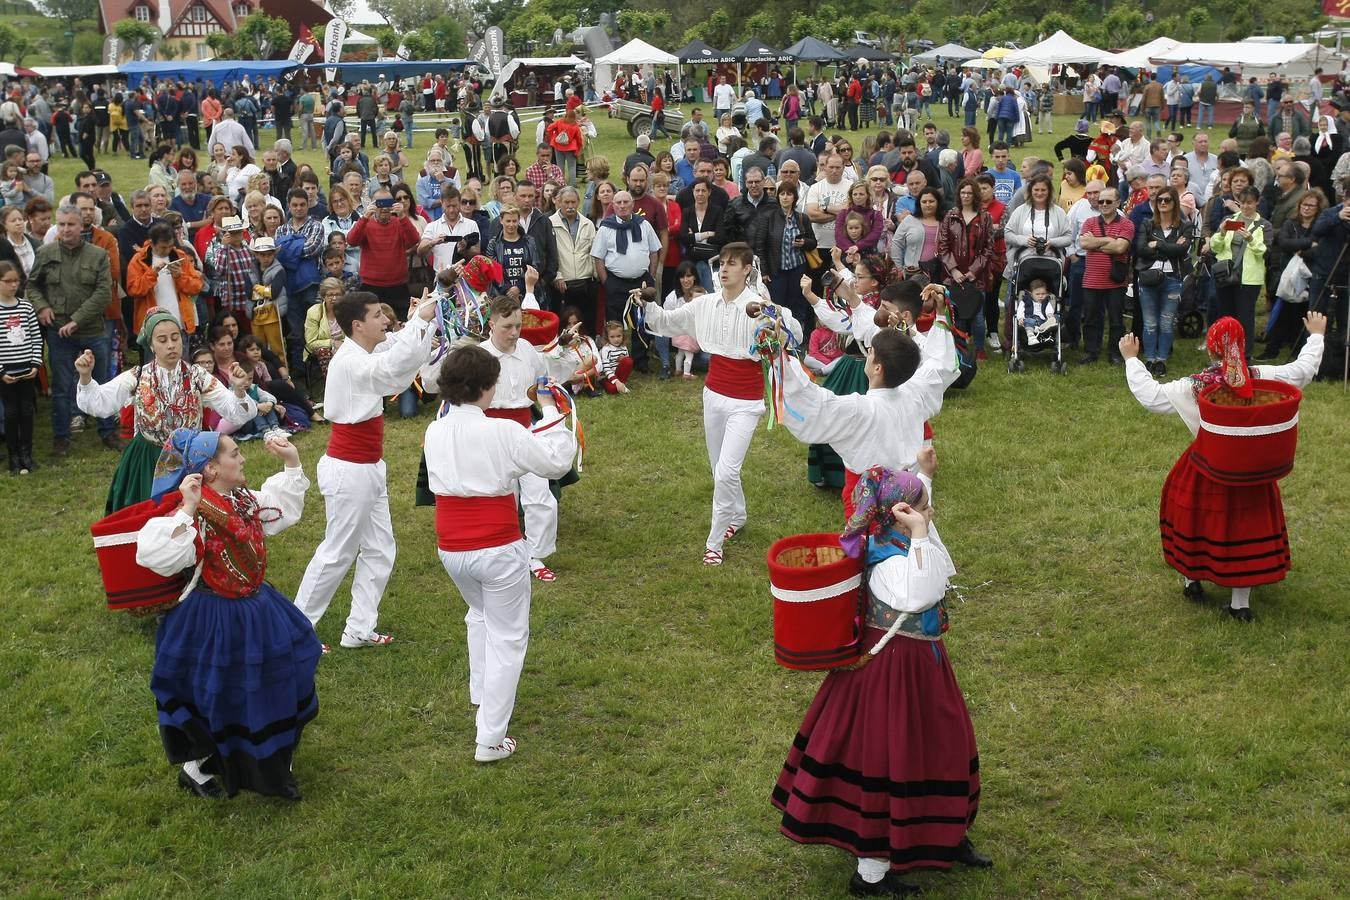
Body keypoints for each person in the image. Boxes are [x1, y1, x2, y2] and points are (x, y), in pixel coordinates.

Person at [773, 462, 989, 896]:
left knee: (941, 744)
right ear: (903, 512)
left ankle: (945, 836)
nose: (931, 515)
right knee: (889, 762)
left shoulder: (899, 535)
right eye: (925, 509)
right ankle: (870, 874)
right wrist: (921, 533)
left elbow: (940, 566)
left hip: (921, 666)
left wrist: (923, 490)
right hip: (891, 675)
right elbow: (922, 592)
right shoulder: (887, 560)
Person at [131, 428, 319, 799]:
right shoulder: (197, 513)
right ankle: (197, 768)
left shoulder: (244, 500)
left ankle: (276, 763)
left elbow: (282, 511)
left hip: (257, 608)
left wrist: (291, 462)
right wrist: (187, 507)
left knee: (277, 679)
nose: (243, 458)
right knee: (222, 694)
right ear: (212, 470)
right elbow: (155, 556)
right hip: (214, 617)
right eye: (234, 453)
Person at [426, 333, 576, 762]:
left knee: (479, 614)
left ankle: (481, 691)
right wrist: (551, 412)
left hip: (451, 549)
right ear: (485, 388)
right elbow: (556, 463)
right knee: (509, 638)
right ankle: (490, 739)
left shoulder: (435, 431)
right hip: (496, 547)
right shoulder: (503, 430)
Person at [1120, 313, 1327, 621]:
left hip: (1206, 468)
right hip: (1252, 473)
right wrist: (1317, 336)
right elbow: (1303, 370)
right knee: (1247, 528)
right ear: (1241, 345)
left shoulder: (1194, 387)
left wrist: (1131, 359)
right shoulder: (1262, 376)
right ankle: (1239, 605)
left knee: (1195, 521)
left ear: (1211, 348)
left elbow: (1151, 397)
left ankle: (1193, 583)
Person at [642, 242, 803, 565]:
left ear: (747, 270)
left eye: (733, 264)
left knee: (728, 471)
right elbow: (666, 322)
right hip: (713, 395)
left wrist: (775, 319)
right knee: (719, 469)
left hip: (746, 401)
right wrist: (647, 302)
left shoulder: (760, 304)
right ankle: (737, 515)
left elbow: (795, 332)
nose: (725, 269)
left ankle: (714, 542)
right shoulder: (706, 304)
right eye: (722, 263)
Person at [293, 290, 436, 652]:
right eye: (376, 316)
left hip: (368, 466)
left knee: (380, 548)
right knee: (337, 552)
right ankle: (294, 632)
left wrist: (424, 315)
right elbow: (391, 373)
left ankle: (359, 628)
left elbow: (396, 350)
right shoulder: (350, 361)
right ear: (358, 325)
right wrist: (420, 323)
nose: (385, 320)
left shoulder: (364, 350)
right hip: (349, 469)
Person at [75, 311, 257, 511]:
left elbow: (236, 412)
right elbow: (99, 403)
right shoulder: (138, 376)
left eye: (175, 338)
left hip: (190, 459)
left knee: (194, 517)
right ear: (151, 345)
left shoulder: (197, 376)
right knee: (148, 515)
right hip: (148, 460)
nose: (170, 345)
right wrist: (85, 377)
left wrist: (239, 389)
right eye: (162, 340)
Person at [27, 203, 120, 458]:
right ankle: (61, 436)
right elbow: (32, 286)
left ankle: (107, 430)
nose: (66, 229)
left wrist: (77, 320)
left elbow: (103, 294)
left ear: (82, 226)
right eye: (62, 224)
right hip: (58, 332)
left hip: (92, 330)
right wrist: (42, 307)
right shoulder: (45, 253)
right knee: (62, 385)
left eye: (71, 224)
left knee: (101, 383)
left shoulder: (97, 255)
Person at [1133, 186, 1191, 376]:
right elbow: (1140, 249)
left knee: (1166, 323)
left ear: (1175, 203)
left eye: (1167, 200)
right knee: (1150, 323)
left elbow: (1182, 251)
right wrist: (1171, 246)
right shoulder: (1147, 224)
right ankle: (1150, 359)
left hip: (1172, 278)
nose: (1163, 203)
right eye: (1160, 200)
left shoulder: (1185, 226)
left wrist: (1157, 244)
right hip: (1149, 278)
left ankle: (1161, 360)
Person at [1208, 187, 1270, 357]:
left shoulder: (1264, 225)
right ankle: (1225, 353)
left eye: (1250, 203)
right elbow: (1215, 247)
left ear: (1257, 202)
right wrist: (1221, 233)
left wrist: (1250, 239)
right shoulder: (1229, 219)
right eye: (1242, 203)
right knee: (1226, 316)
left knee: (1245, 317)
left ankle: (1244, 355)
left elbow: (1264, 252)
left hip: (1249, 279)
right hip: (1226, 275)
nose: (1246, 206)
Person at [1078, 187, 1135, 365]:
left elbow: (1120, 248)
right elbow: (1084, 243)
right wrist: (1110, 240)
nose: (1103, 204)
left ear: (1118, 203)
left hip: (1115, 281)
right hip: (1091, 280)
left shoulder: (1127, 224)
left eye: (1108, 201)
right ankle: (1090, 351)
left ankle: (1115, 353)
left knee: (1116, 320)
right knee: (1090, 318)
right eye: (1101, 201)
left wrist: (1096, 242)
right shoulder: (1089, 222)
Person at [0, 260, 41, 474]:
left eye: (16, 281)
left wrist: (35, 363)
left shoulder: (25, 307)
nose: (13, 285)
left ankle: (27, 454)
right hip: (6, 373)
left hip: (27, 369)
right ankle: (13, 456)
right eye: (8, 281)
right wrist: (1, 372)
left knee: (26, 412)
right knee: (11, 412)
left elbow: (35, 336)